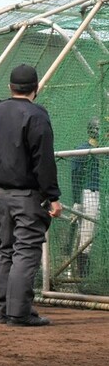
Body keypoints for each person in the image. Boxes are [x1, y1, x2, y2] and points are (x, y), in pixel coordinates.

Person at [0, 64, 62, 327]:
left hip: (2, 194)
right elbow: (44, 160)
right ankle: (19, 313)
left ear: (10, 87)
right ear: (36, 87)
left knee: (6, 250)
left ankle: (1, 309)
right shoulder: (36, 114)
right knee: (26, 252)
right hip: (27, 195)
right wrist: (53, 196)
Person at [70, 117, 100, 279]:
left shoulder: (105, 149)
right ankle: (83, 276)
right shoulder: (82, 150)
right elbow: (76, 177)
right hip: (90, 194)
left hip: (104, 195)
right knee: (87, 234)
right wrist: (77, 201)